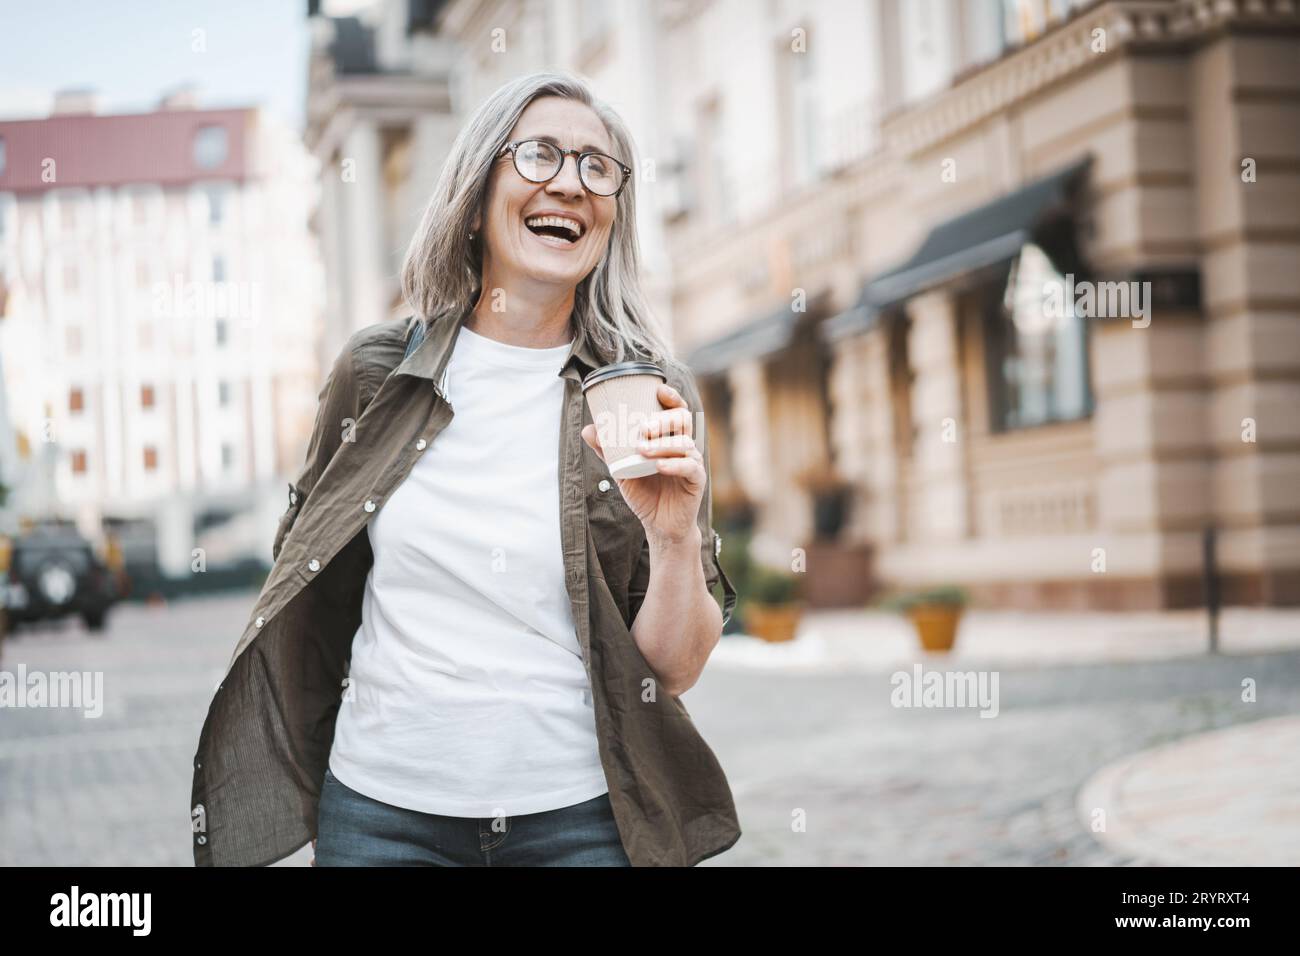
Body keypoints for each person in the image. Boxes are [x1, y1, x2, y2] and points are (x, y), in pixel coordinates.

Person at [190, 71, 739, 868]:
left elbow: (674, 670)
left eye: (597, 167)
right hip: (383, 819)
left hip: (581, 821)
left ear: (615, 214)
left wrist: (677, 536)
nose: (570, 184)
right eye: (541, 155)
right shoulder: (377, 373)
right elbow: (304, 580)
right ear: (478, 192)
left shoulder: (645, 393)